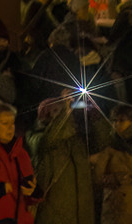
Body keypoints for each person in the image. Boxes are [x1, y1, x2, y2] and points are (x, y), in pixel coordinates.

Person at [27, 96, 93, 224]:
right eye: (57, 111)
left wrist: (97, 117)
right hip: (52, 211)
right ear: (44, 115)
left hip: (78, 212)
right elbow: (50, 140)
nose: (65, 114)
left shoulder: (75, 140)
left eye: (65, 111)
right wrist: (66, 110)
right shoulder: (35, 136)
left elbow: (104, 143)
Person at [91, 105, 132, 224]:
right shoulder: (109, 149)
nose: (116, 124)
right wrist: (113, 179)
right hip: (116, 211)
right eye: (114, 120)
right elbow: (96, 179)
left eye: (121, 120)